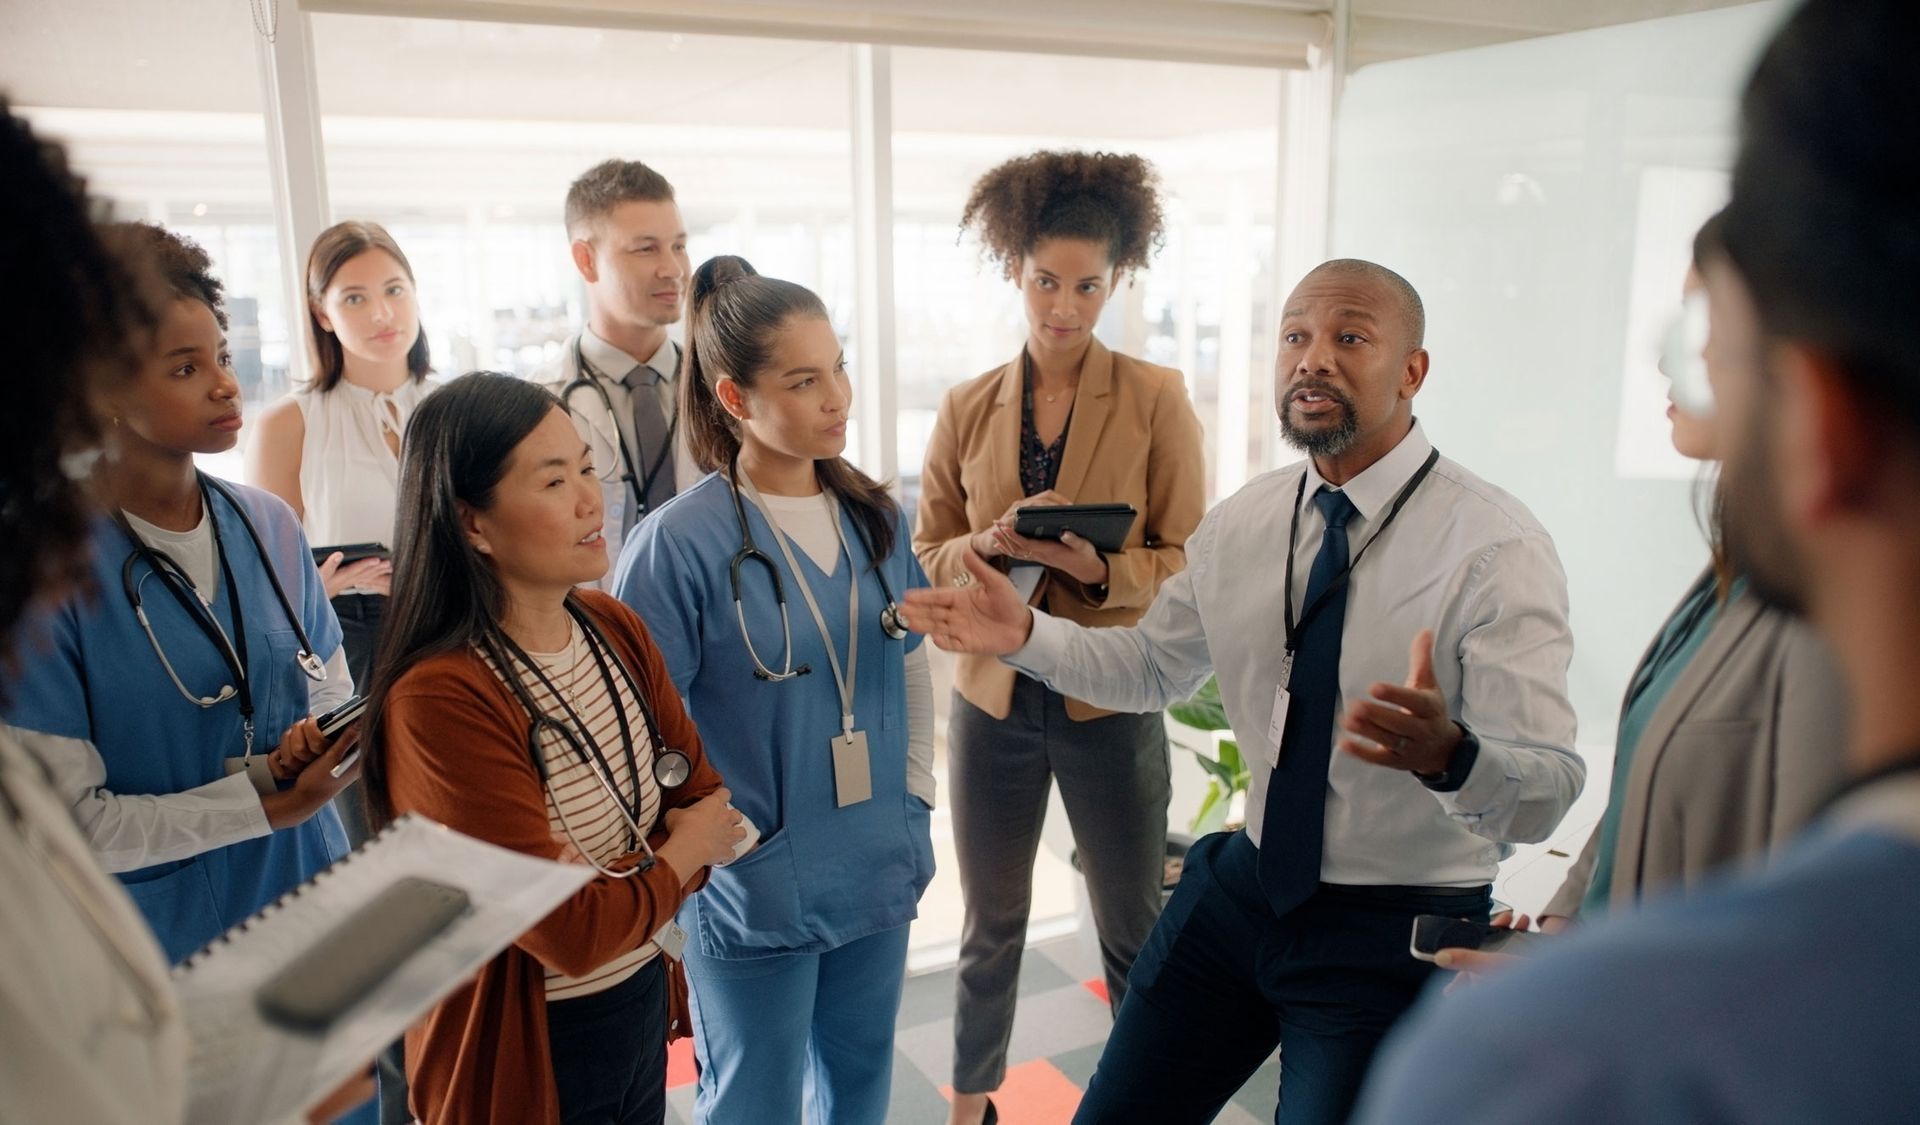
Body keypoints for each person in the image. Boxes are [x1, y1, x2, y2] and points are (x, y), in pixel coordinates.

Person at [1353, 3, 1920, 1120]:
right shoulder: (1729, 575)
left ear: (1821, 415)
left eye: (1718, 347)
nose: (1683, 371)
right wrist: (1571, 933)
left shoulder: (1555, 1068)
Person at [903, 258, 1582, 1124]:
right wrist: (1025, 636)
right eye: (1295, 336)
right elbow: (1151, 668)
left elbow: (1546, 793)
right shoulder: (1246, 522)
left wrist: (1453, 757)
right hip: (1243, 890)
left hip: (1390, 923)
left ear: (1413, 371)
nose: (1312, 360)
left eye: (1349, 338)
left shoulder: (1495, 548)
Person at [0, 113, 373, 1125]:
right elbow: (71, 829)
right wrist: (254, 804)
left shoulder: (269, 526)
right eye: (182, 367)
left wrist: (315, 756)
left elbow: (328, 690)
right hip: (171, 945)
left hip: (312, 908)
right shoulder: (49, 572)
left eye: (221, 353)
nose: (223, 382)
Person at [363, 371, 742, 1125]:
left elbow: (706, 801)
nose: (588, 500)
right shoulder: (440, 698)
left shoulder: (612, 627)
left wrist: (620, 878)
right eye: (553, 480)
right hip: (528, 1041)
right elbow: (568, 935)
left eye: (587, 469)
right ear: (472, 523)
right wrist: (674, 853)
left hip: (637, 998)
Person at [913, 149, 1205, 1125]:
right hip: (994, 699)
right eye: (1047, 282)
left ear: (1116, 281)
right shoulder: (965, 406)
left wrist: (1096, 571)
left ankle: (1142, 1101)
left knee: (1132, 926)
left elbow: (1188, 558)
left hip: (1106, 694)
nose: (1065, 307)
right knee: (990, 925)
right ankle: (970, 1107)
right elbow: (925, 552)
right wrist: (990, 542)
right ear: (1016, 273)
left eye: (1087, 285)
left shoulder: (1158, 398)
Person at [612, 256, 935, 1124]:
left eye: (839, 368)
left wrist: (916, 793)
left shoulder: (876, 514)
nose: (837, 396)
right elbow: (646, 727)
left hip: (873, 849)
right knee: (754, 1099)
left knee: (863, 1079)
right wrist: (721, 842)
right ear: (735, 396)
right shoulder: (675, 544)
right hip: (753, 875)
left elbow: (908, 657)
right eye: (804, 379)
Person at [543, 158, 698, 585]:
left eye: (679, 246)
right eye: (646, 248)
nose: (673, 269)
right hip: (594, 629)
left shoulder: (721, 390)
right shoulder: (540, 402)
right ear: (585, 259)